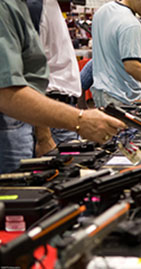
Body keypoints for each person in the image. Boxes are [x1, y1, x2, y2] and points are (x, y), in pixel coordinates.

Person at [0, 0, 126, 173]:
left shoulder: (44, 6)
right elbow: (8, 89)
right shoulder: (24, 6)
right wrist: (76, 122)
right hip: (26, 117)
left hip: (47, 112)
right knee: (20, 191)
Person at [27, 0, 84, 156]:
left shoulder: (51, 6)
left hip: (61, 112)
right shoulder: (36, 7)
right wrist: (44, 136)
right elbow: (30, 73)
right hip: (52, 117)